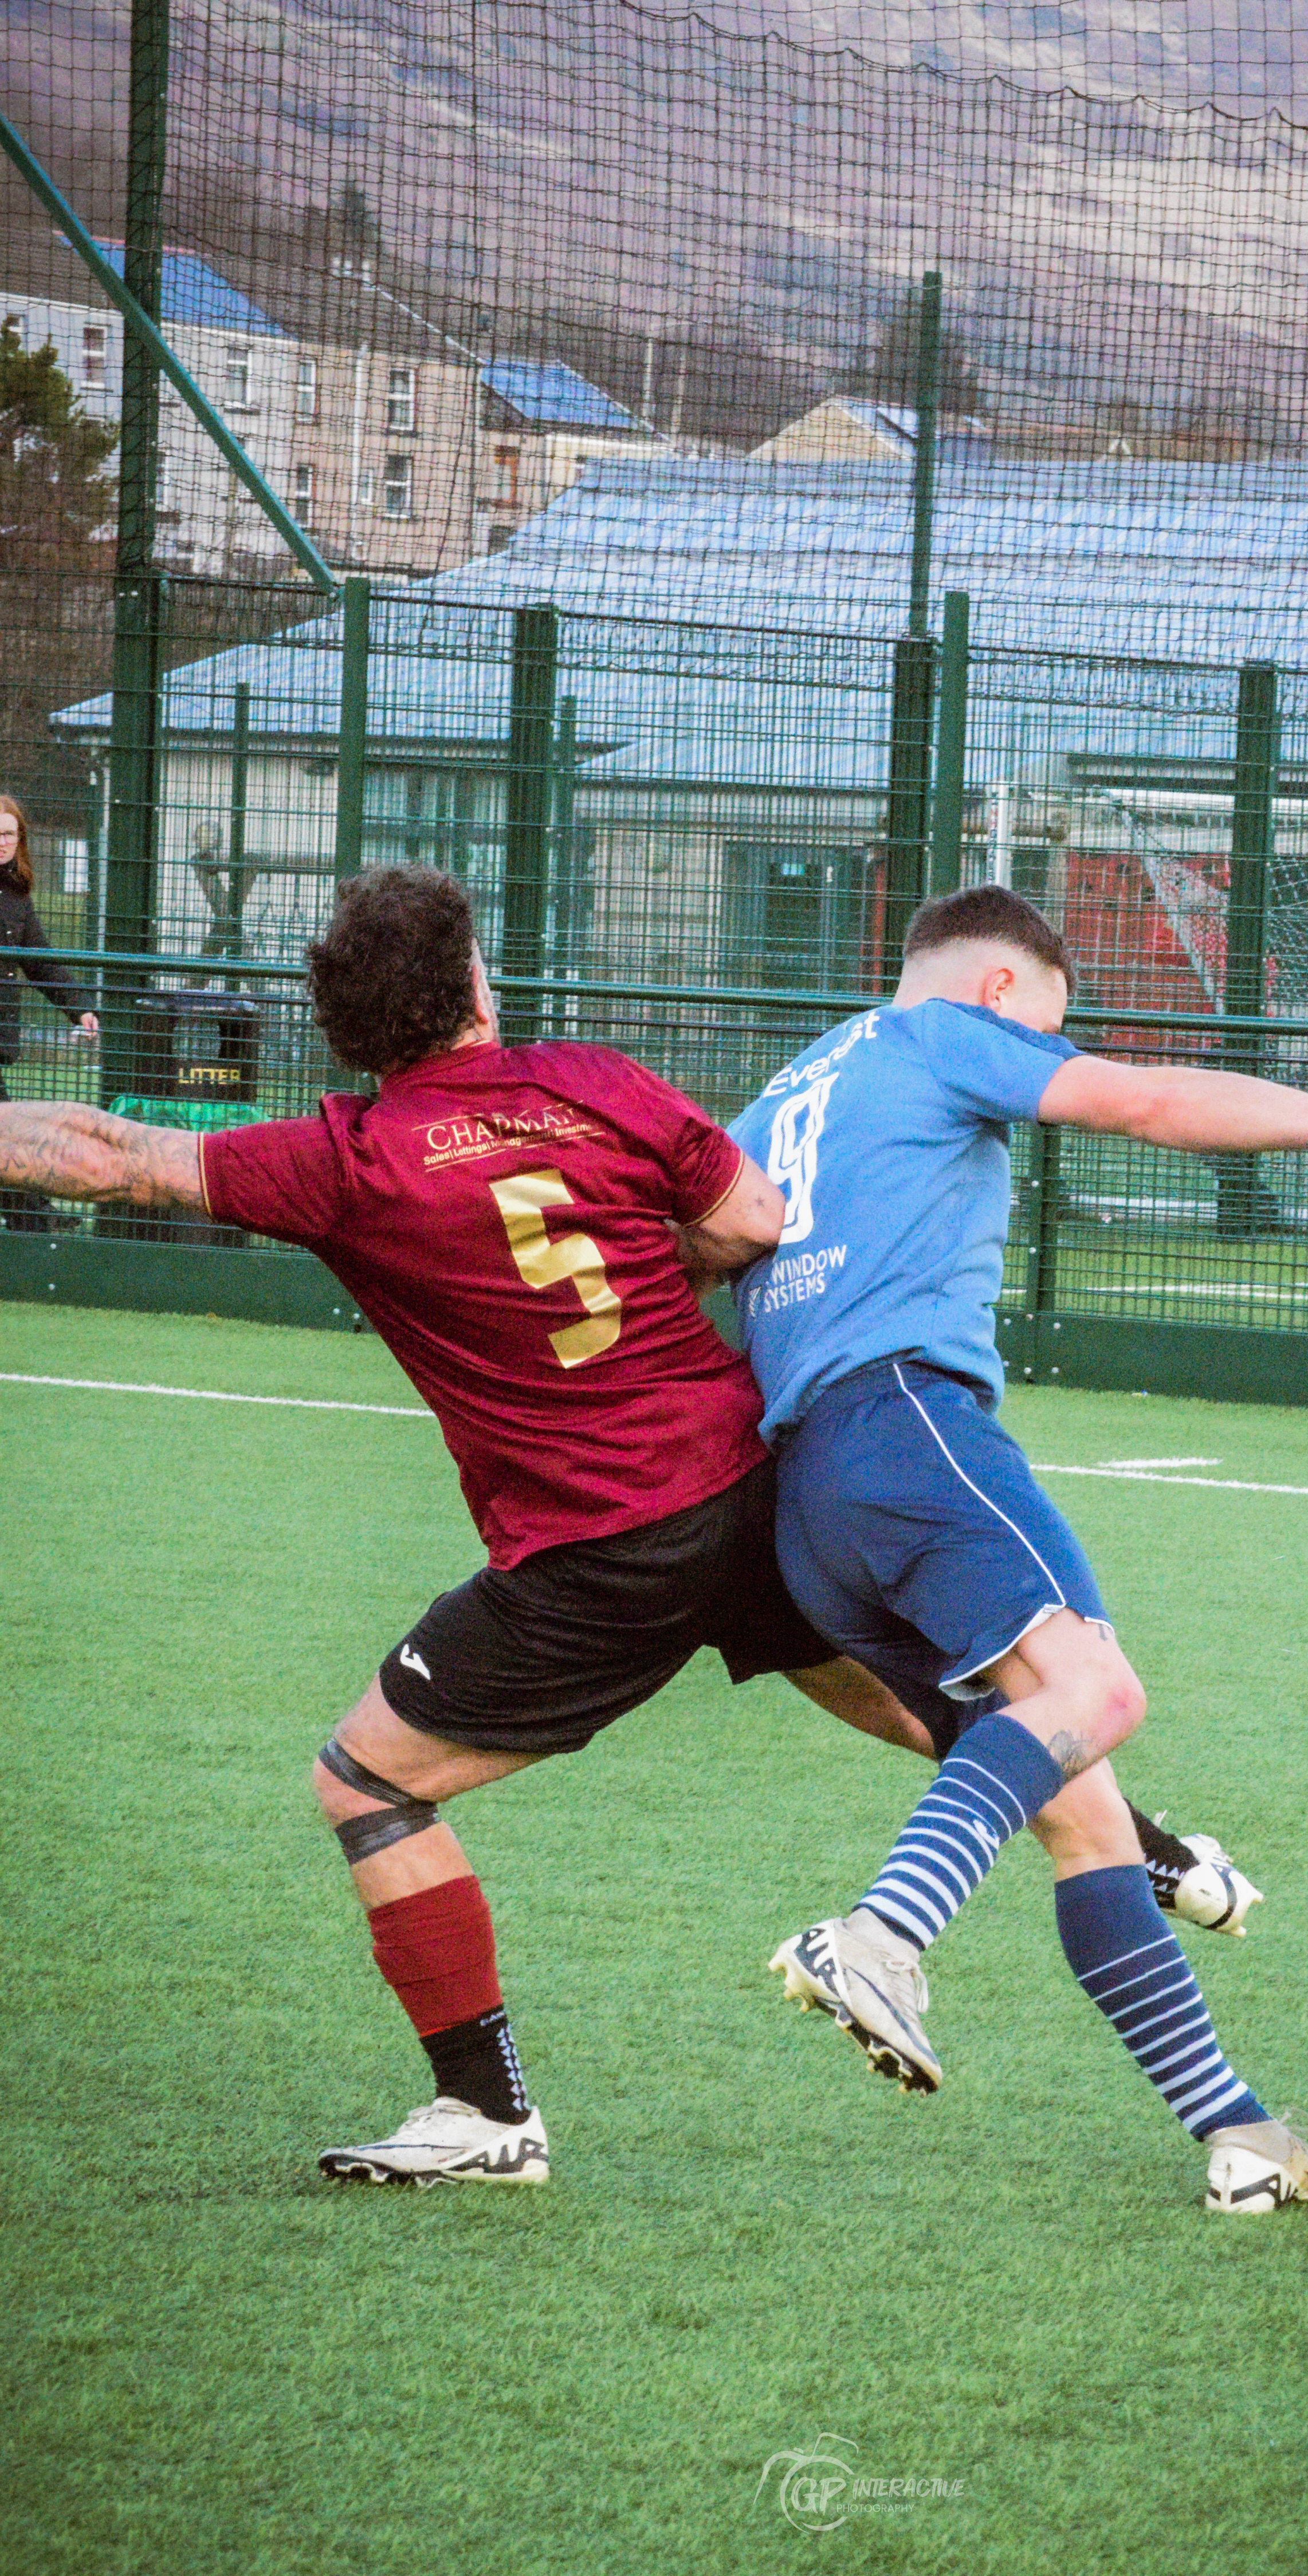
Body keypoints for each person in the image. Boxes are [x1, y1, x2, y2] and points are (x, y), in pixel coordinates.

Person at [0, 863, 930, 2188]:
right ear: (475, 986)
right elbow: (749, 1220)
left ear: (356, 1032)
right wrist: (675, 1264)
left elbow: (108, 1155)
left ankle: (485, 2113)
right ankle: (1140, 1836)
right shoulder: (591, 1083)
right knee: (885, 1684)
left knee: (365, 1778)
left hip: (597, 1549)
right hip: (737, 1477)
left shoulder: (342, 1159)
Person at [729, 883, 1308, 2214]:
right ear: (996, 993)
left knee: (1081, 1806)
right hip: (908, 1427)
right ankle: (880, 1935)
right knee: (1101, 1695)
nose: (1048, 1049)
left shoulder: (780, 1097)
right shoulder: (934, 1034)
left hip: (806, 1498)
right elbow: (1146, 1103)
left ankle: (1239, 2139)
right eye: (1048, 1023)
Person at [0, 795, 99, 1231]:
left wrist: (79, 1009)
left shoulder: (16, 894)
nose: (1, 842)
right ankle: (34, 1221)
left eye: (8, 834)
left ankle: (33, 1219)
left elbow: (39, 960)